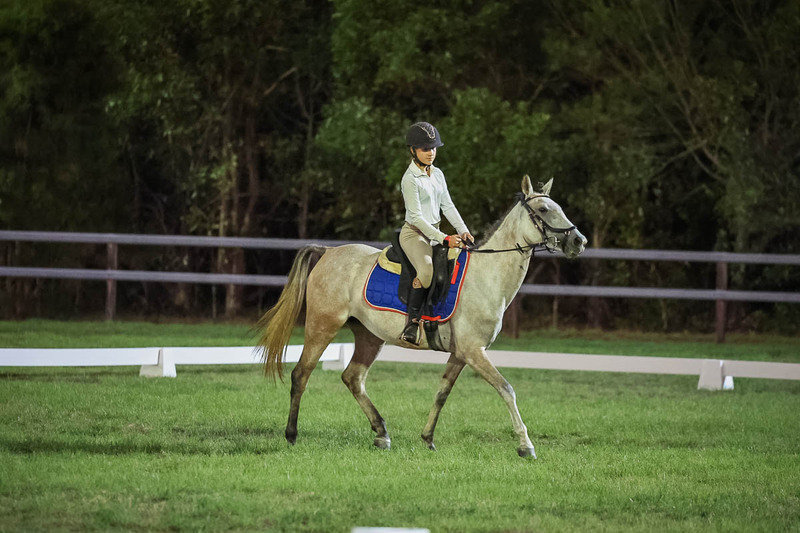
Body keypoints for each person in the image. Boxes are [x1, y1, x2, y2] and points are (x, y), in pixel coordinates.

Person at [399, 121, 474, 345]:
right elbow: (417, 218)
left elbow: (447, 205)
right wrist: (445, 238)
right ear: (413, 150)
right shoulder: (409, 179)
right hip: (415, 234)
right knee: (426, 270)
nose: (431, 153)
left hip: (436, 232)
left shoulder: (438, 174)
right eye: (425, 149)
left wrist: (463, 230)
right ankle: (411, 324)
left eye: (433, 148)